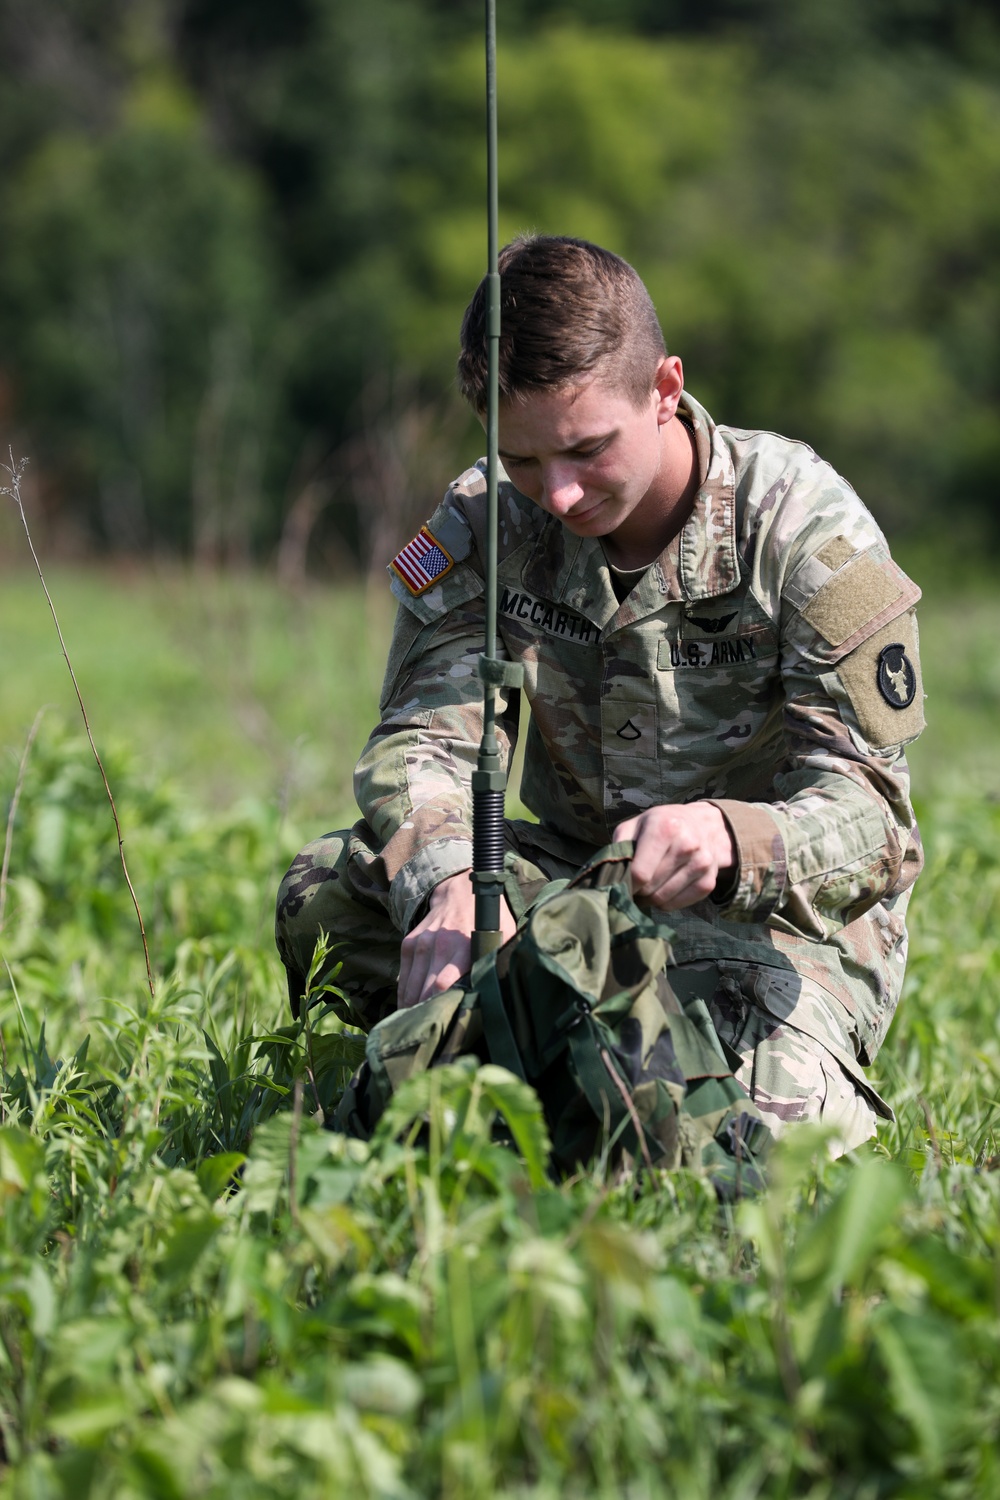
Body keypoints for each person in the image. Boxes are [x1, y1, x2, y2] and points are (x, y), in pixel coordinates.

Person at [276, 234, 924, 1153]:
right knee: (324, 902)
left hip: (772, 927)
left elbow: (871, 815)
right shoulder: (484, 521)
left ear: (664, 390)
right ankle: (532, 1053)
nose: (561, 495)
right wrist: (454, 879)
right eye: (525, 460)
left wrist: (730, 839)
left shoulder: (803, 528)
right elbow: (425, 739)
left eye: (586, 450)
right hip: (567, 893)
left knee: (736, 1129)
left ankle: (533, 1066)